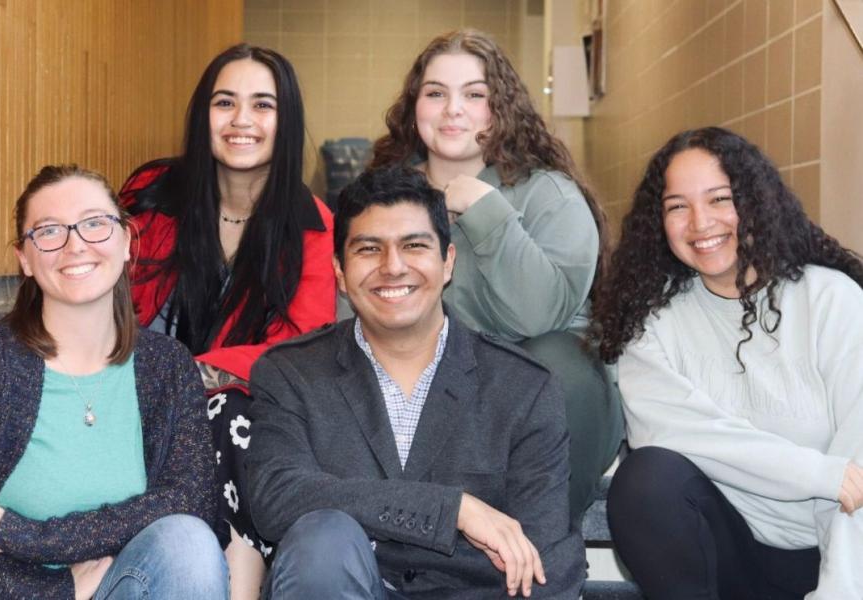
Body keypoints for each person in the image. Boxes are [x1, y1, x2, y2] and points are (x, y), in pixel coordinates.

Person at [245, 166, 585, 599]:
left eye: (414, 245)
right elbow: (279, 499)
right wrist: (453, 509)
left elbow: (543, 559)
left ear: (448, 262)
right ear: (340, 273)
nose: (393, 267)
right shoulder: (291, 373)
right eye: (369, 249)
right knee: (322, 540)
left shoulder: (523, 388)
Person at [592, 127, 863, 599]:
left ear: (756, 201)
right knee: (645, 480)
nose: (700, 223)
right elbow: (673, 432)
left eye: (720, 199)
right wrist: (817, 473)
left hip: (835, 554)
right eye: (678, 206)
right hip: (731, 551)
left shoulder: (831, 299)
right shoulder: (652, 319)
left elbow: (857, 478)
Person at [370, 29, 622, 521]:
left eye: (475, 94)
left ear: (501, 106)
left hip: (552, 402)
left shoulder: (550, 194)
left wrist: (485, 209)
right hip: (432, 395)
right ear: (413, 105)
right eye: (436, 93)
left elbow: (536, 315)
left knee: (554, 360)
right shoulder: (386, 197)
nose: (452, 109)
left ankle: (539, 555)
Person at [119, 43, 336, 596]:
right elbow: (113, 302)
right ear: (202, 114)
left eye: (263, 105)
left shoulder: (312, 225)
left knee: (230, 412)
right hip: (136, 400)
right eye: (225, 103)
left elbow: (300, 347)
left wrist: (193, 376)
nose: (242, 120)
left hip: (243, 414)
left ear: (286, 121)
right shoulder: (152, 196)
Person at [0, 165, 227, 599]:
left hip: (121, 587)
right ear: (25, 259)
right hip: (8, 593)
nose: (75, 245)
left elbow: (190, 500)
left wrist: (31, 536)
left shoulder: (166, 366)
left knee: (187, 542)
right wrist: (57, 589)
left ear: (126, 240)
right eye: (48, 231)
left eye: (94, 224)